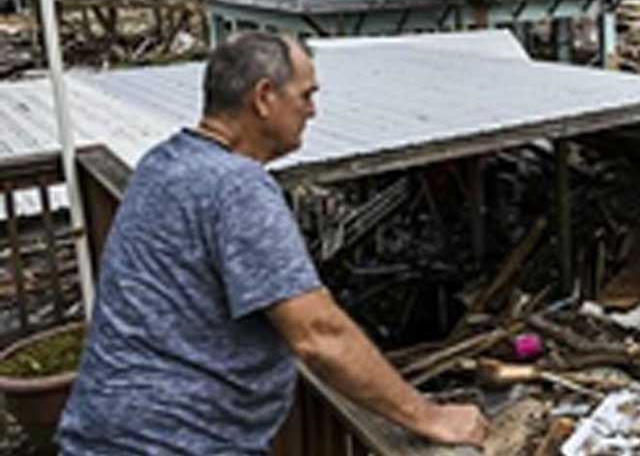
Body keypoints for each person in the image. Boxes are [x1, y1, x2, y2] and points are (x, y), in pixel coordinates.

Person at [58, 32, 488, 455]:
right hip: (175, 442)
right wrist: (429, 416)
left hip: (102, 429)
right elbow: (318, 335)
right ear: (264, 98)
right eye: (305, 95)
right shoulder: (237, 186)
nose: (313, 111)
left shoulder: (162, 163)